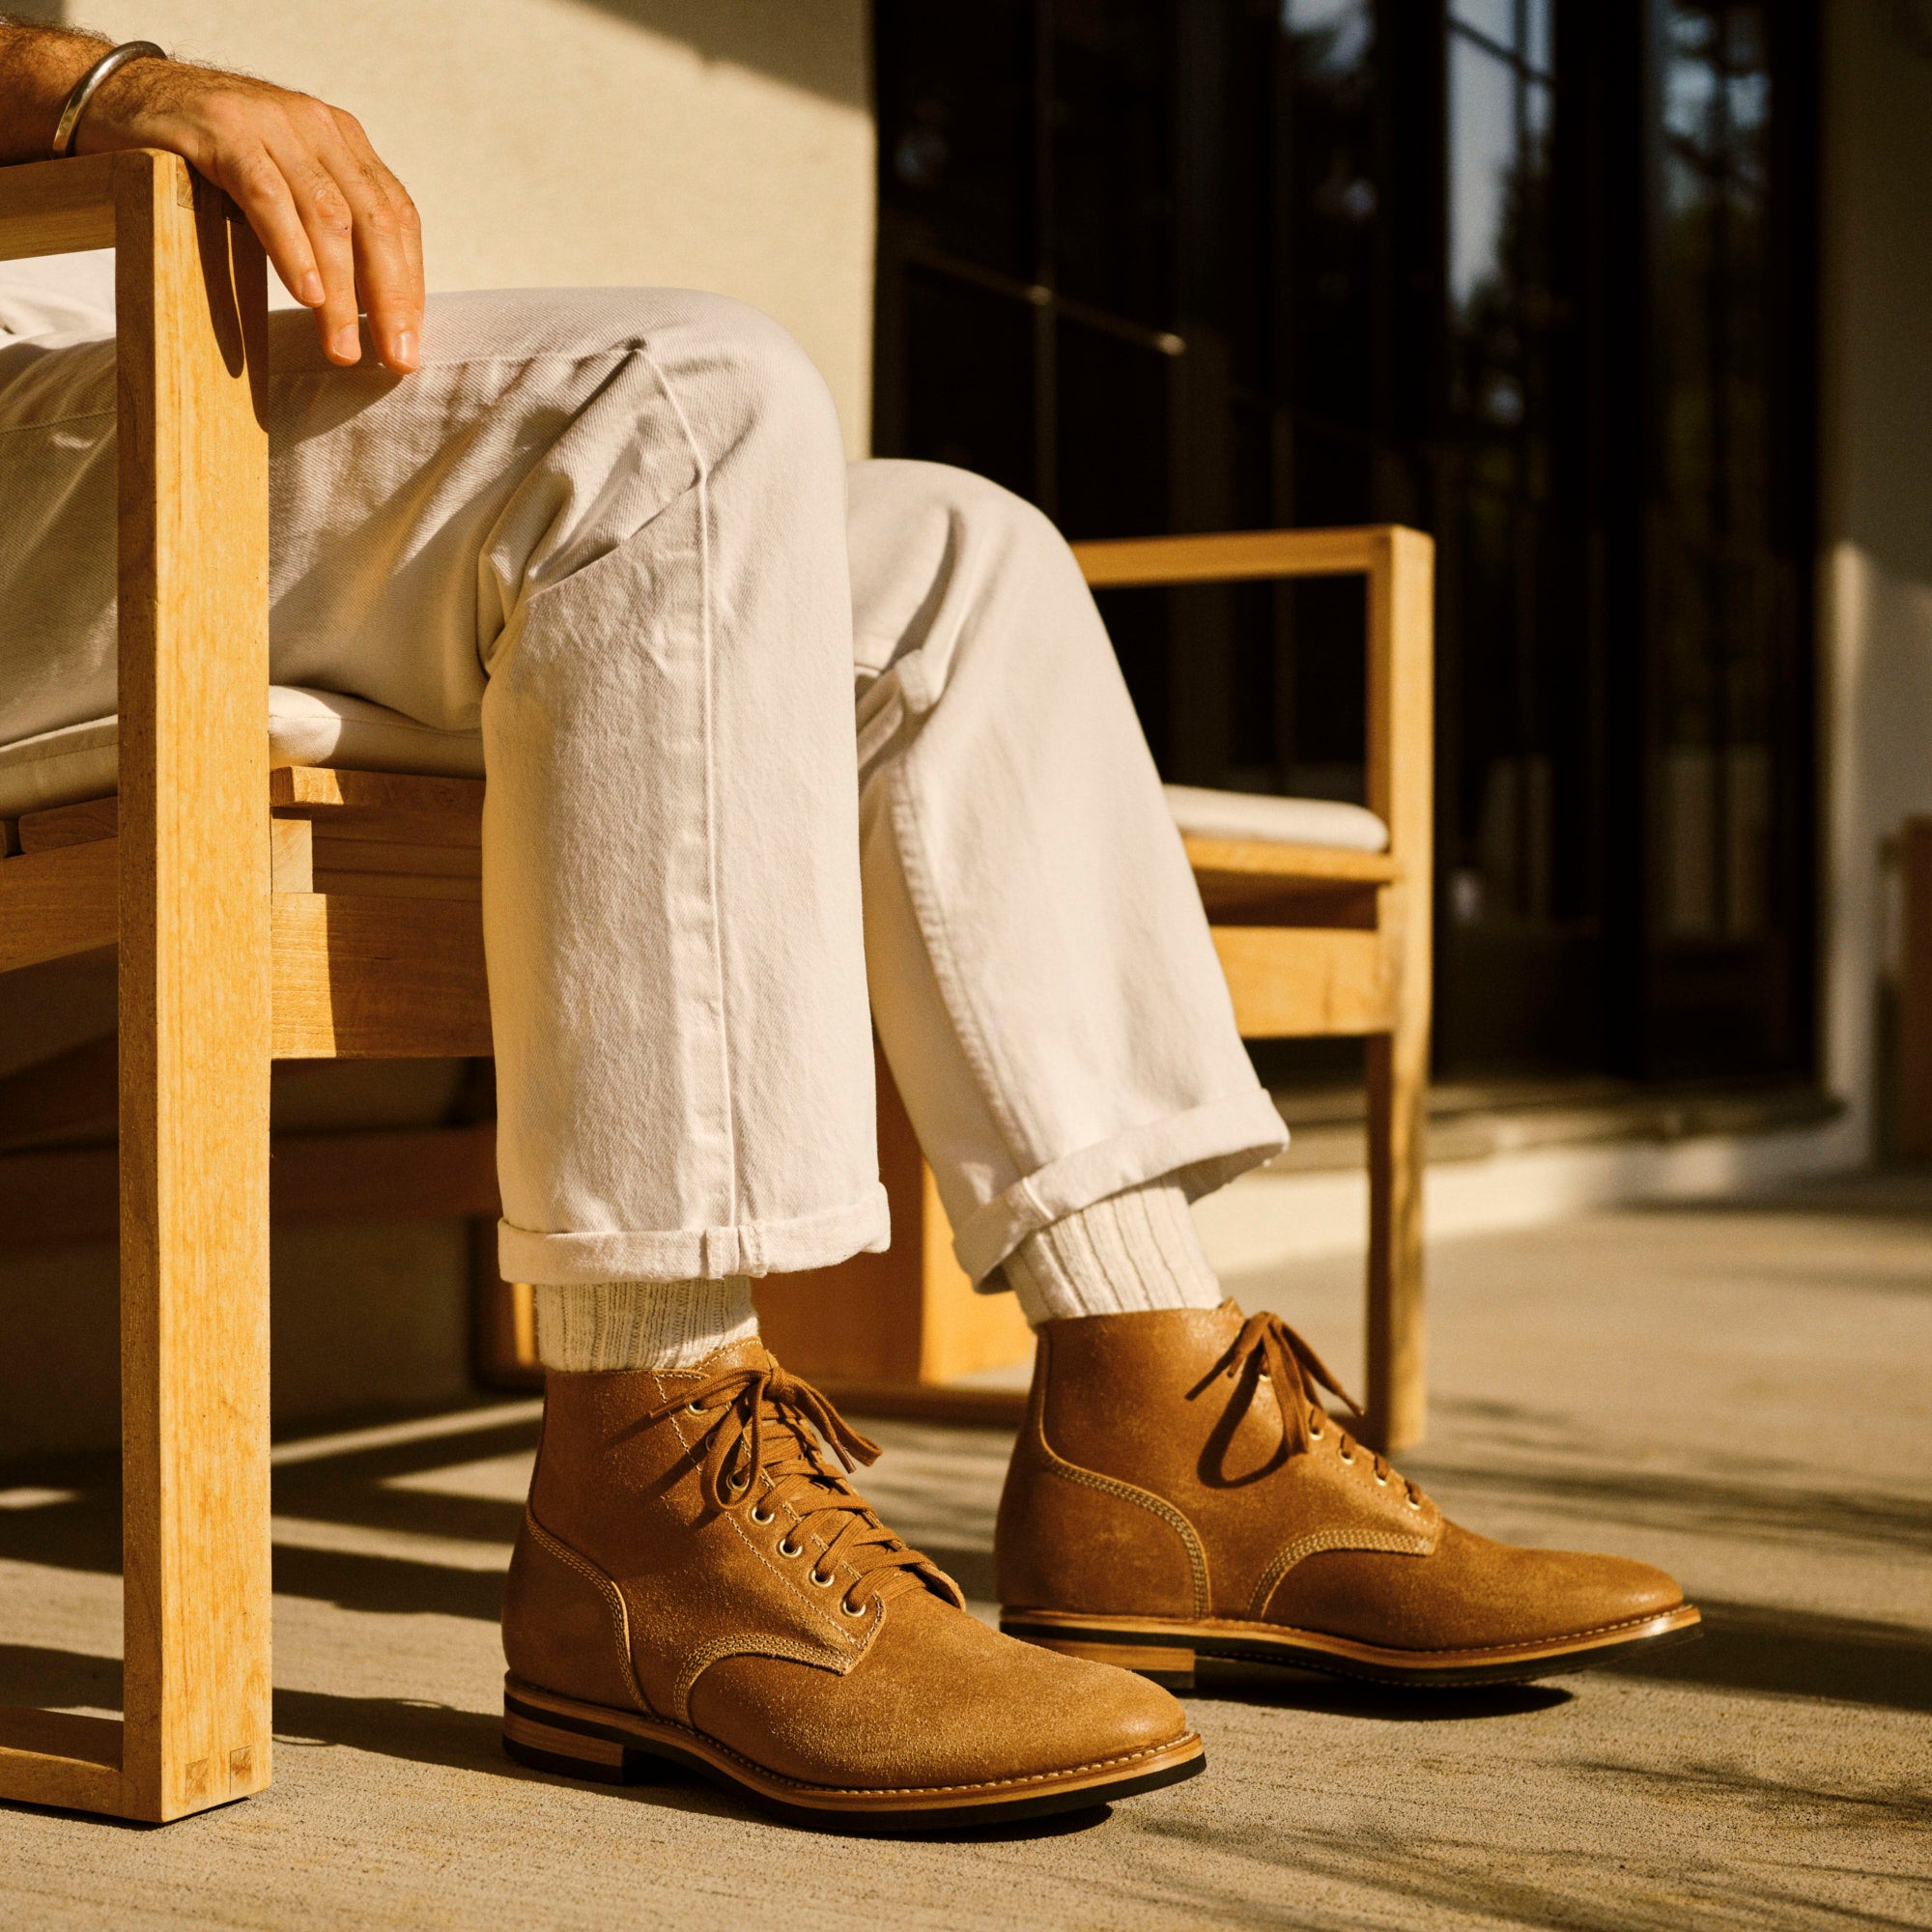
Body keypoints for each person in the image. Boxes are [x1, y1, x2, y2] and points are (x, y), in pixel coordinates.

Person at [0, 24, 1697, 1830]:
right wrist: (93, 87)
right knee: (676, 398)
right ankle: (651, 1471)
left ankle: (1158, 1419)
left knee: (961, 553)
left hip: (114, 384)